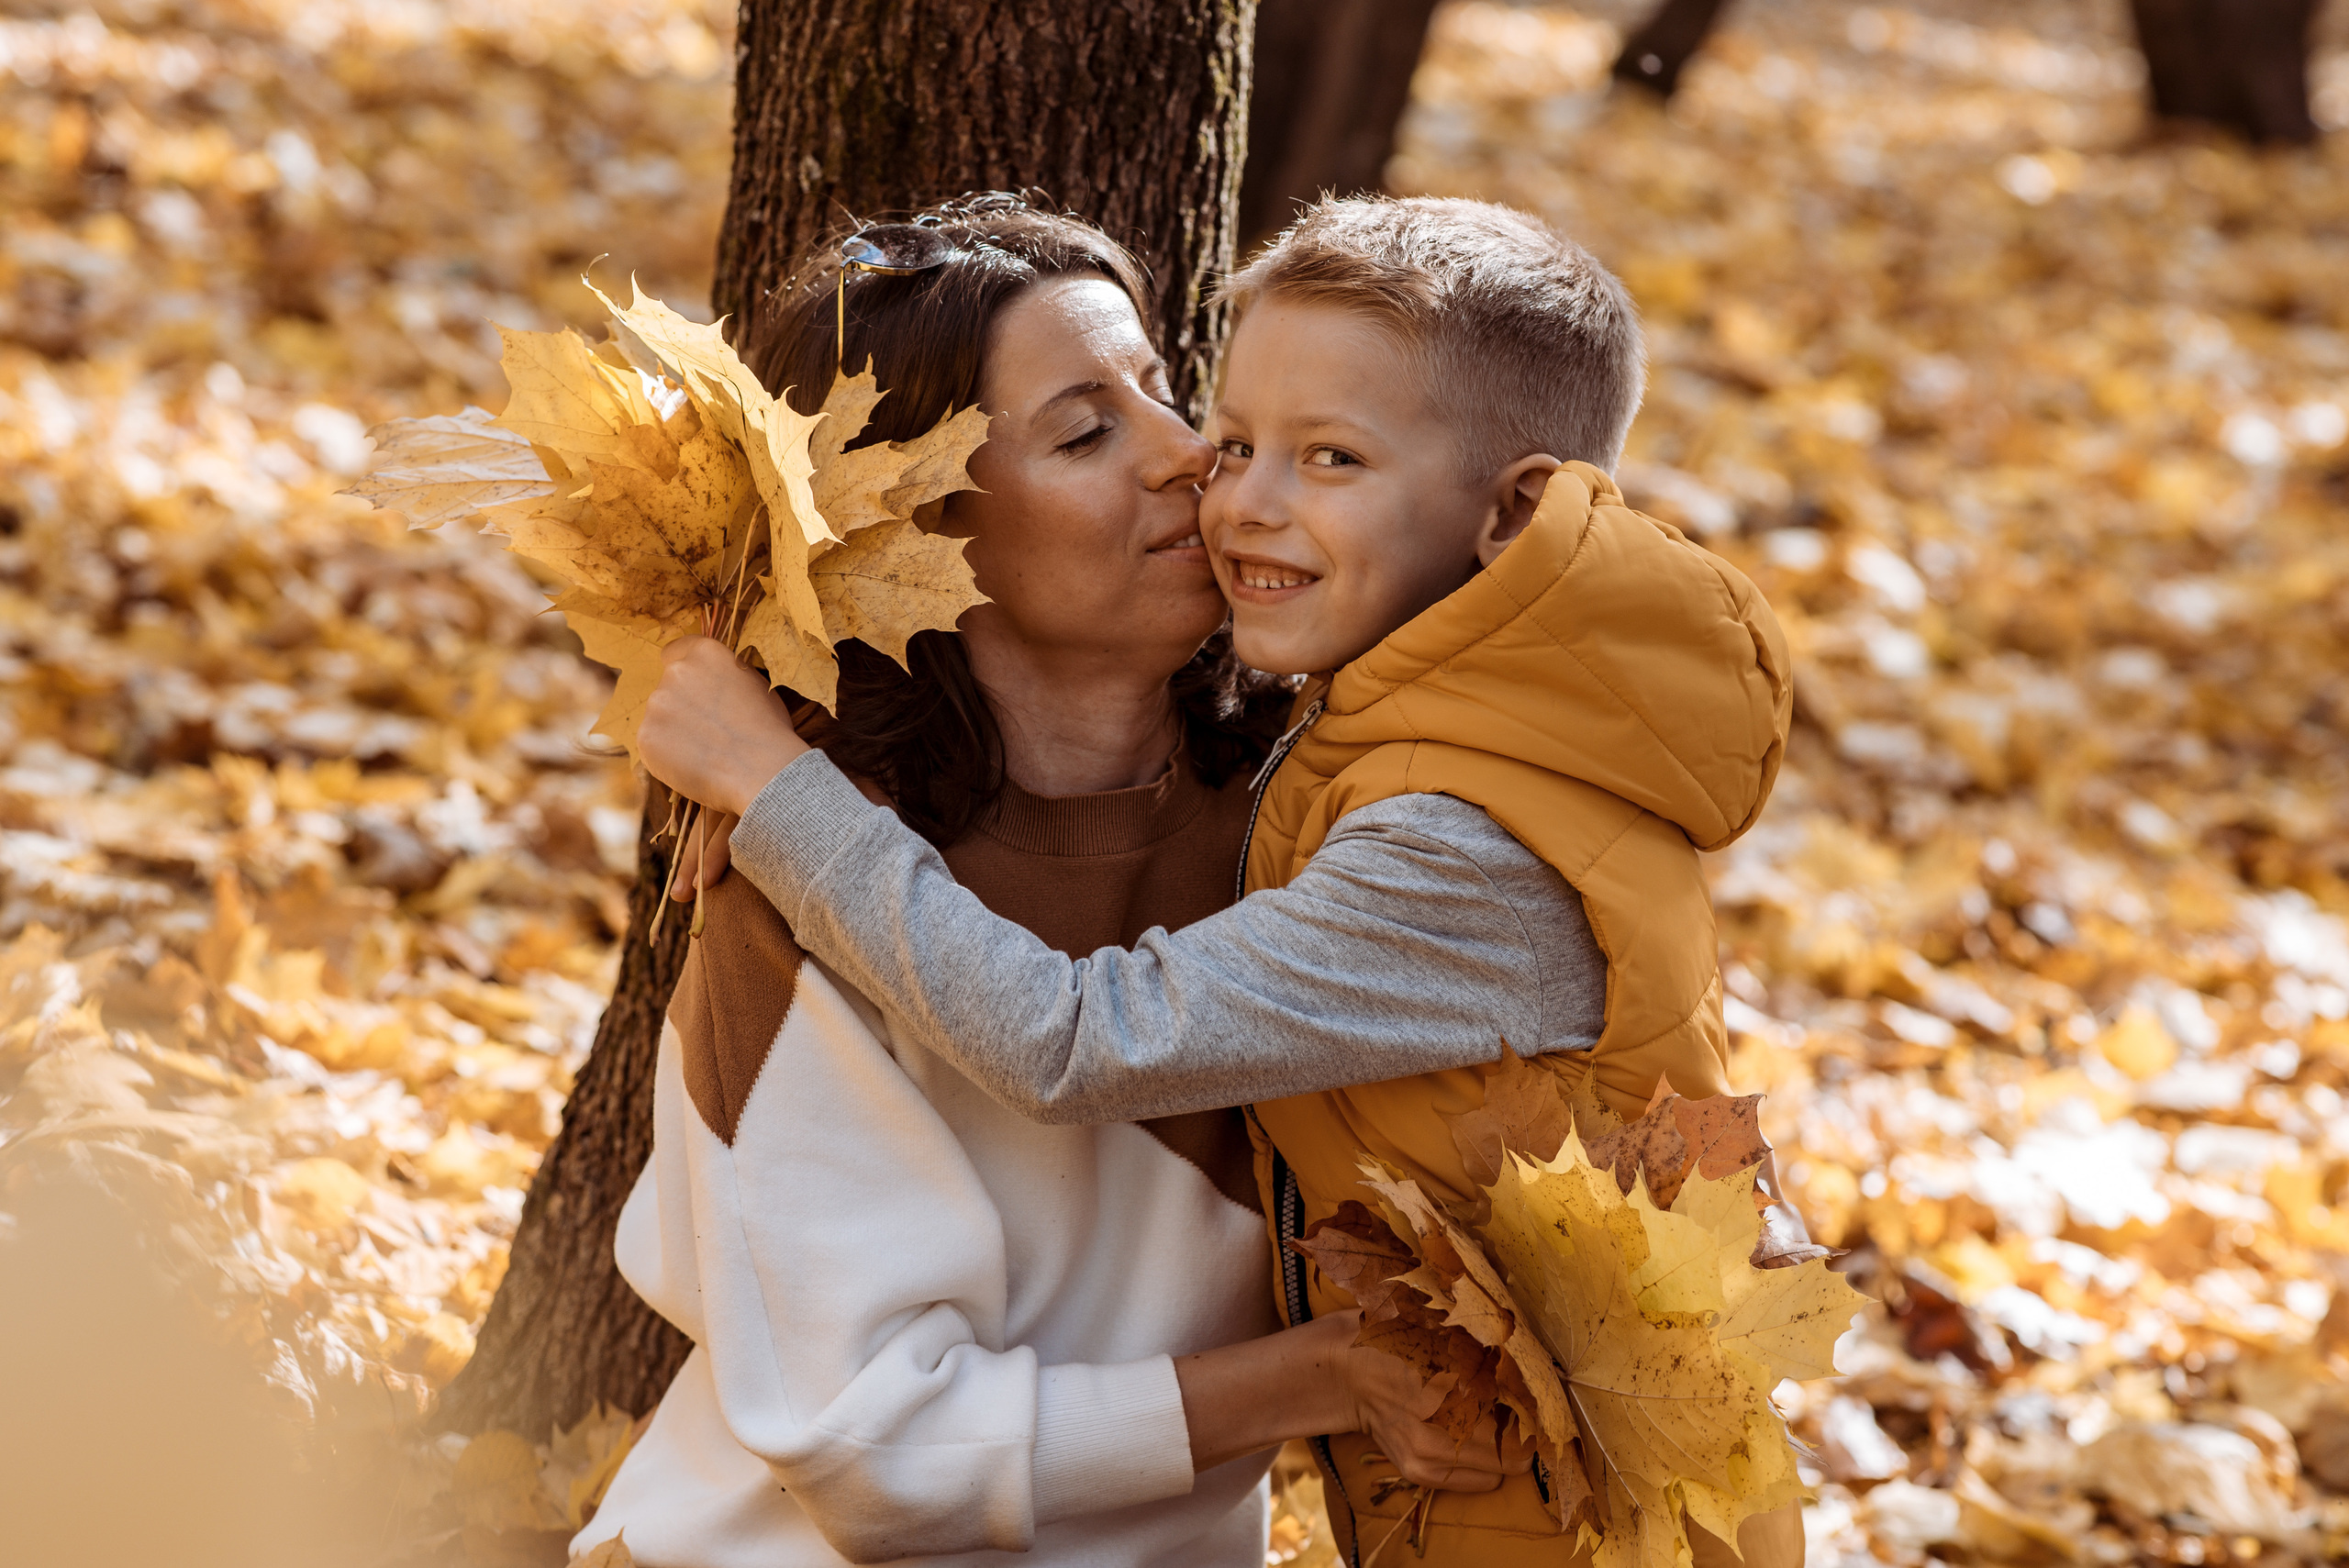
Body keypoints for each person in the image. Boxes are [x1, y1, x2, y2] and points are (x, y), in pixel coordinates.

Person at [640, 195, 1807, 1567]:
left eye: (1165, 394)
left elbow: (1079, 1034)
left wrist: (782, 794)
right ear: (910, 540)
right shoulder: (814, 883)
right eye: (1088, 430)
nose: (1197, 463)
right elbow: (867, 1447)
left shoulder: (1322, 827)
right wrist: (787, 806)